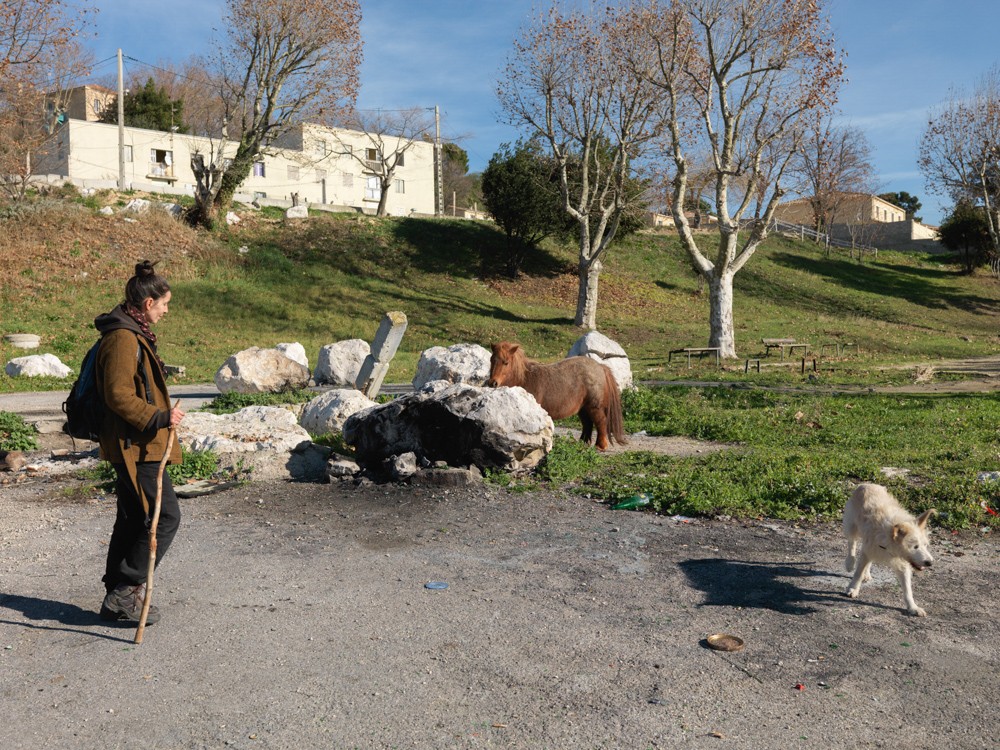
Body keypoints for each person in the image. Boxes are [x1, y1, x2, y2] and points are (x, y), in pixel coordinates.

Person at [94, 260, 185, 624]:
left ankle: (117, 594)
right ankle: (126, 591)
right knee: (164, 516)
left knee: (133, 517)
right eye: (164, 304)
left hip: (139, 443)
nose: (166, 310)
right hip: (136, 446)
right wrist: (159, 417)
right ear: (148, 304)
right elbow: (117, 394)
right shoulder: (122, 338)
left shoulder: (133, 333)